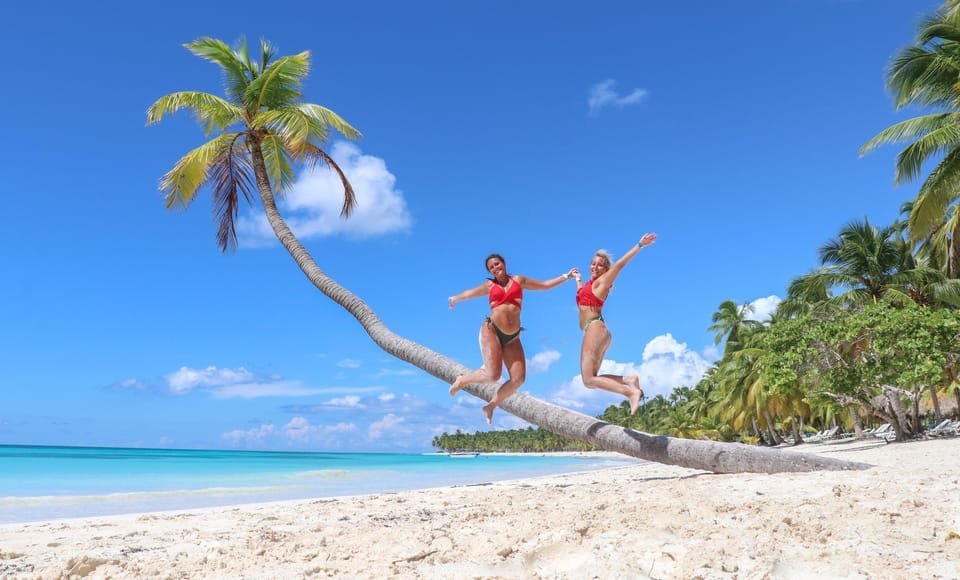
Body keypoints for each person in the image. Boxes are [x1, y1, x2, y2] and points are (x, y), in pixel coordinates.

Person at [448, 254, 578, 424]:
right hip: (492, 331)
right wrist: (455, 299)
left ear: (504, 263)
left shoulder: (519, 280)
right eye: (491, 267)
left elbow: (545, 285)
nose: (495, 268)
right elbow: (469, 294)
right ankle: (462, 380)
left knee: (518, 379)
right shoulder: (490, 285)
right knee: (493, 376)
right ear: (490, 272)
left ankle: (491, 406)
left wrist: (567, 276)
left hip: (512, 337)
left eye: (497, 264)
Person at [575, 233, 657, 415]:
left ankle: (630, 392)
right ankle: (628, 380)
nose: (595, 267)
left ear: (606, 270)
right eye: (593, 263)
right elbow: (580, 298)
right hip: (595, 330)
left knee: (588, 380)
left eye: (600, 265)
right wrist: (577, 279)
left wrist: (639, 245)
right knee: (592, 380)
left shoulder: (603, 282)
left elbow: (619, 265)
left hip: (595, 328)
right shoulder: (589, 285)